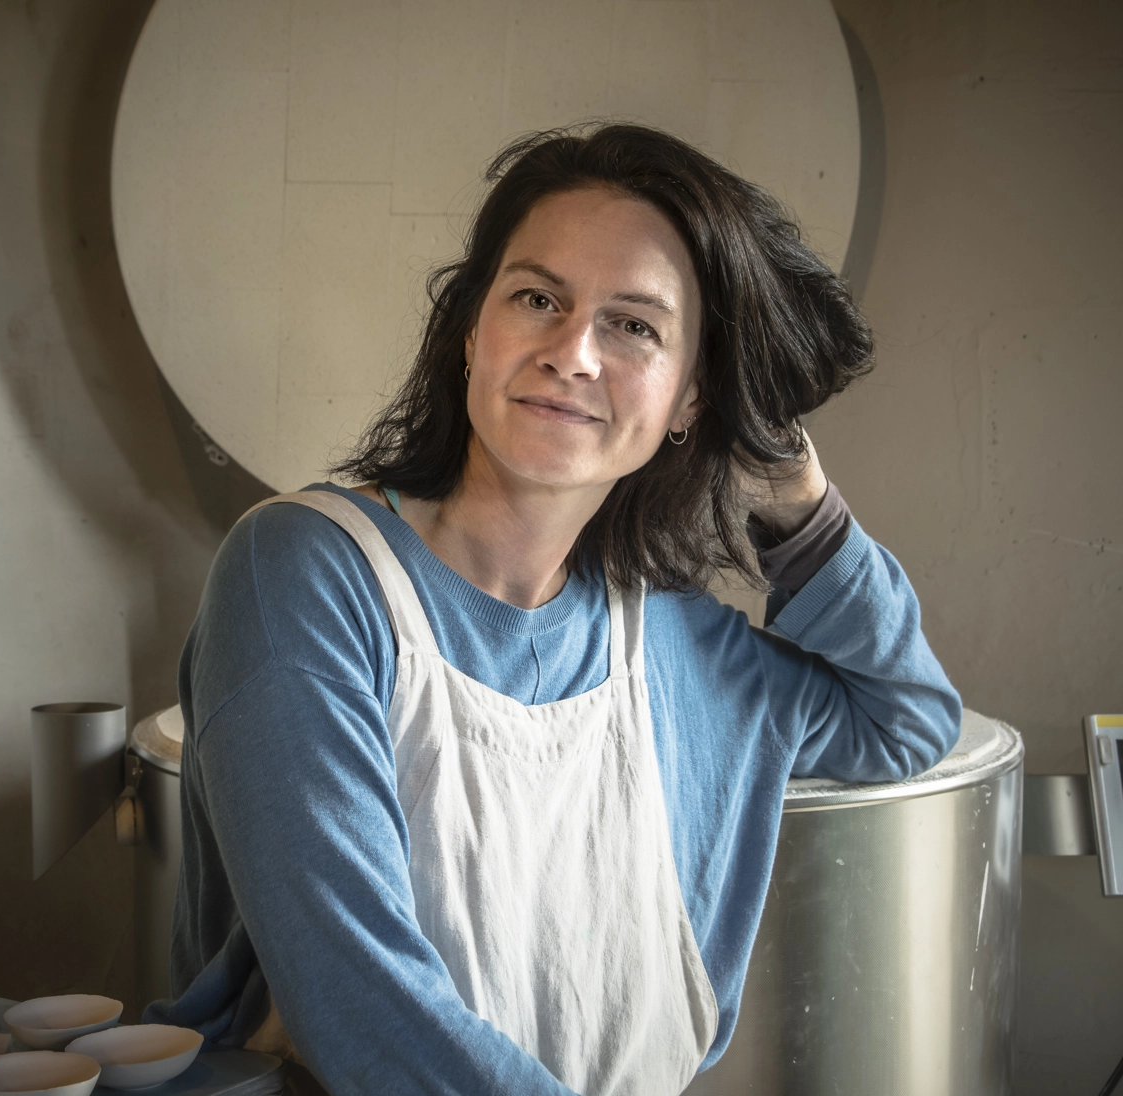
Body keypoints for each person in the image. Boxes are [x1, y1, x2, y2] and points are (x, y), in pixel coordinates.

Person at [146, 124, 962, 1096]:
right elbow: (362, 1005)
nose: (571, 352)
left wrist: (799, 502)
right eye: (537, 298)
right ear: (471, 331)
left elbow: (907, 719)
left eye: (635, 326)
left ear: (690, 400)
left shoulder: (674, 644)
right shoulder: (306, 572)